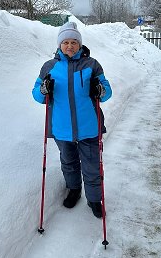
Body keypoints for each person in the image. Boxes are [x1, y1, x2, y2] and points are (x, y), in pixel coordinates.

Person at [32, 22, 112, 218]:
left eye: (74, 42)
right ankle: (74, 189)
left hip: (88, 126)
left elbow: (106, 92)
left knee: (92, 165)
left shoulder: (91, 65)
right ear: (59, 45)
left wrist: (100, 89)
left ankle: (94, 199)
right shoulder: (49, 67)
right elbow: (37, 95)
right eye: (65, 42)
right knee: (69, 162)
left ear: (80, 44)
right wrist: (44, 90)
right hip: (62, 127)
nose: (70, 46)